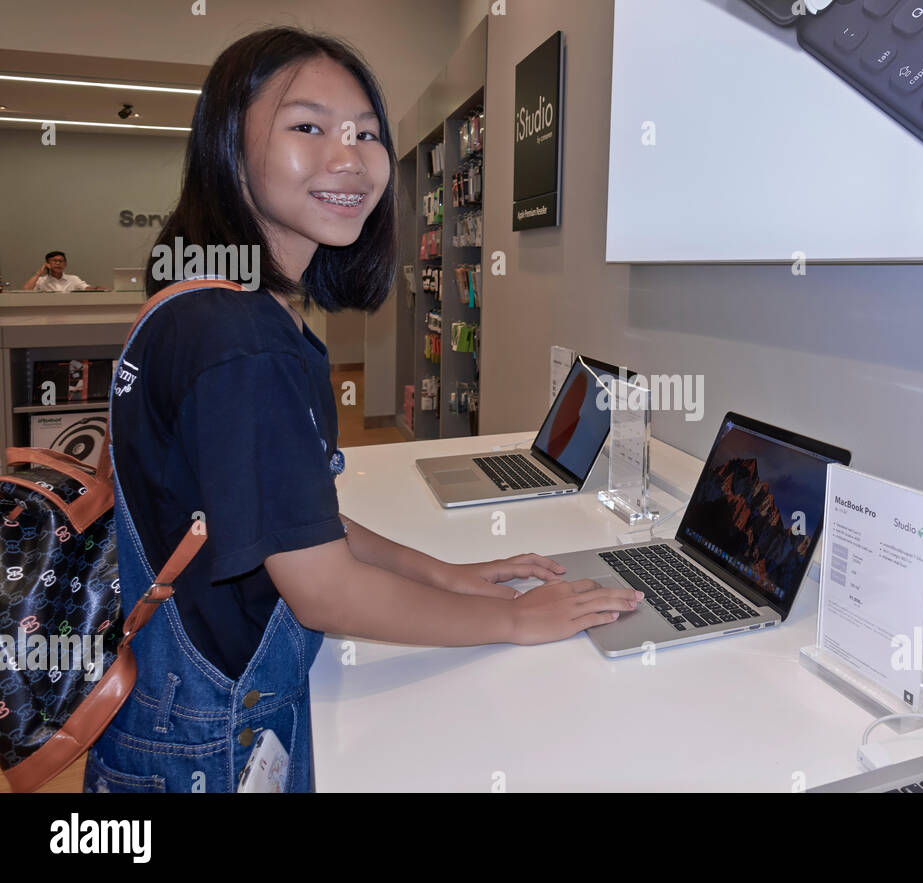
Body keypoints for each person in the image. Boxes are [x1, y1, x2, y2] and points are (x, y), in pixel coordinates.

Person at [84, 27, 640, 794]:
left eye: (366, 134)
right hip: (211, 745)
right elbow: (323, 586)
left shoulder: (205, 306)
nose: (349, 158)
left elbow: (301, 520)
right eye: (307, 126)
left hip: (173, 713)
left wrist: (450, 576)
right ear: (228, 144)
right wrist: (513, 619)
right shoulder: (243, 340)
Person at [24, 251, 107, 291]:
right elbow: (27, 289)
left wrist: (96, 288)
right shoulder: (41, 280)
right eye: (54, 261)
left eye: (61, 261)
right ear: (47, 264)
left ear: (65, 264)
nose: (58, 263)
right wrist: (39, 273)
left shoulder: (73, 279)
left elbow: (86, 288)